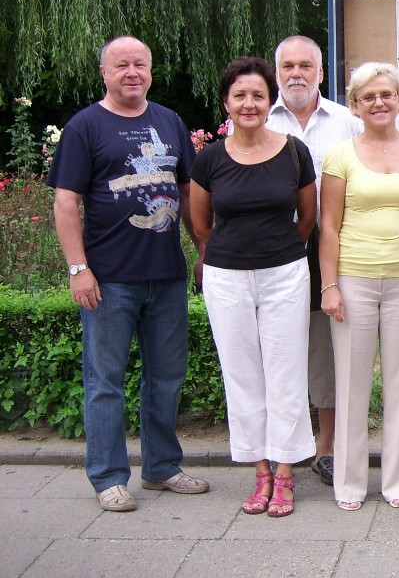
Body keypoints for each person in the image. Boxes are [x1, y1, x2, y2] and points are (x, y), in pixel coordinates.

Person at [46, 36, 209, 512]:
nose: (132, 72)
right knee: (105, 381)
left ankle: (161, 468)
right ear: (105, 73)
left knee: (167, 377)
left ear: (151, 71)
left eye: (140, 64)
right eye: (122, 65)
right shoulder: (85, 127)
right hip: (110, 278)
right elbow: (65, 203)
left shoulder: (169, 122)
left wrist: (203, 251)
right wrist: (79, 269)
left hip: (167, 275)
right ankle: (108, 477)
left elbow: (189, 193)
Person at [190, 56, 317, 517]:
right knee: (242, 375)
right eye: (240, 95)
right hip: (226, 278)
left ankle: (285, 473)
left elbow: (308, 218)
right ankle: (259, 471)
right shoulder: (209, 158)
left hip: (285, 274)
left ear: (271, 100)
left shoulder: (293, 151)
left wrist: (278, 252)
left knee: (286, 374)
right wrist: (233, 257)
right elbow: (201, 224)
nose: (249, 103)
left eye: (258, 95)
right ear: (226, 102)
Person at [319, 62, 399, 511]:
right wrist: (328, 285)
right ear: (355, 105)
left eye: (386, 95)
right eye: (367, 97)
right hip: (352, 279)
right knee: (351, 385)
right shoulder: (341, 156)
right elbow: (328, 227)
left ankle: (398, 481)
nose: (378, 103)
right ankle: (350, 484)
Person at [265, 35, 363, 486]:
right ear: (276, 72)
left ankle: (326, 446)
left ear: (321, 73)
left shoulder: (347, 122)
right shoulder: (257, 119)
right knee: (277, 348)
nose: (296, 73)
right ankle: (279, 444)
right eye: (287, 66)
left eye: (306, 65)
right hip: (272, 249)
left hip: (331, 245)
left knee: (325, 348)